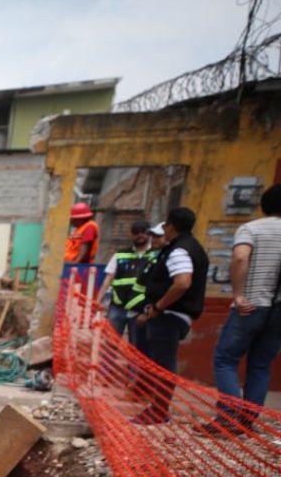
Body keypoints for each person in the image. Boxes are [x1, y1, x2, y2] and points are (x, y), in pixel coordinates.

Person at [199, 183, 281, 434]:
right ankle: (247, 422)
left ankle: (228, 417)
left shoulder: (251, 229)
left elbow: (240, 257)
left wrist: (238, 295)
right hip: (278, 311)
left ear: (264, 205)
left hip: (251, 305)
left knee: (225, 359)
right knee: (260, 364)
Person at [132, 207, 209, 424]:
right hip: (174, 314)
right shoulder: (193, 248)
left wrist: (157, 307)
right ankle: (157, 407)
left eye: (165, 225)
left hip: (170, 315)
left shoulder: (180, 250)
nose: (163, 229)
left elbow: (182, 282)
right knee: (160, 361)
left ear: (172, 226)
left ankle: (158, 410)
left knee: (163, 365)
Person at [98, 219, 155, 340]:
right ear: (131, 234)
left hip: (140, 309)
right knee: (109, 343)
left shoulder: (155, 255)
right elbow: (108, 279)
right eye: (136, 232)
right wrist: (98, 301)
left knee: (137, 347)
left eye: (143, 232)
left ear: (149, 234)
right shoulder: (120, 255)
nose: (140, 235)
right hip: (118, 306)